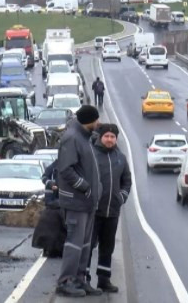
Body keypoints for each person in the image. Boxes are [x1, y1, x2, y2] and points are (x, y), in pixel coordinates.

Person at [56, 105, 102, 298]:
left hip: (88, 202)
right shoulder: (72, 138)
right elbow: (65, 169)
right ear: (88, 121)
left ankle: (80, 279)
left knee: (85, 243)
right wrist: (84, 186)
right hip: (76, 201)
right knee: (74, 243)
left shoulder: (84, 137)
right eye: (96, 120)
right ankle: (66, 281)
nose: (98, 124)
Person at [87, 124, 132, 293]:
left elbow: (127, 181)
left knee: (108, 247)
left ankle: (104, 280)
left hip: (112, 211)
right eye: (106, 136)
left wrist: (121, 197)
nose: (109, 139)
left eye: (112, 137)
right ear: (100, 137)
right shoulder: (92, 155)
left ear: (116, 139)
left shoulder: (120, 157)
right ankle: (85, 279)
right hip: (93, 211)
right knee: (89, 246)